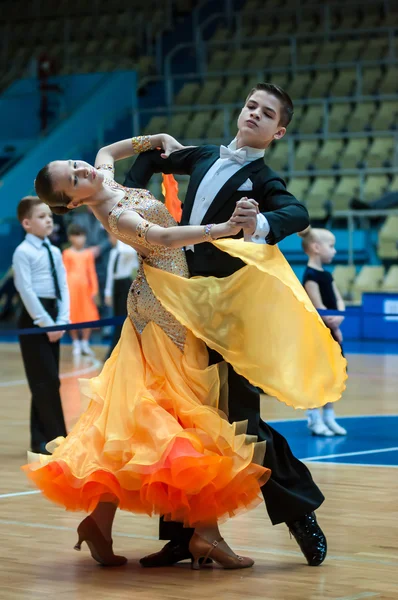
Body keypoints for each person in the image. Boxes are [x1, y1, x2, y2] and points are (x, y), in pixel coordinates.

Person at [24, 134, 346, 570]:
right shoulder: (115, 212)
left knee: (163, 418)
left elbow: (113, 153)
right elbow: (163, 235)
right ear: (75, 203)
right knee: (186, 416)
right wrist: (227, 228)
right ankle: (199, 536)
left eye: (73, 163)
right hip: (168, 311)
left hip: (203, 304)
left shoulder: (104, 173)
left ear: (277, 130)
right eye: (74, 178)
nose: (81, 169)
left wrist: (152, 139)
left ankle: (114, 524)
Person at [124, 83, 340, 567]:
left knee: (243, 423)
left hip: (227, 315)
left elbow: (297, 212)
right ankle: (183, 536)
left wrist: (256, 224)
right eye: (251, 106)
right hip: (177, 304)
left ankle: (298, 512)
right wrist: (136, 201)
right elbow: (156, 160)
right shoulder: (202, 155)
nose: (255, 115)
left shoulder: (263, 180)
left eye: (267, 114)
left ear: (278, 131)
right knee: (182, 420)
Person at [13, 196, 69, 454]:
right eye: (41, 216)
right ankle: (59, 437)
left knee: (47, 379)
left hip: (54, 315)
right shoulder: (23, 252)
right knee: (44, 380)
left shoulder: (54, 250)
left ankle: (39, 439)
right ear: (27, 223)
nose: (48, 220)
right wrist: (45, 323)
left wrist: (63, 319)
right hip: (35, 318)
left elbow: (63, 287)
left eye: (49, 215)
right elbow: (25, 290)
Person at [299, 227, 348, 437]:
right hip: (318, 336)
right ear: (316, 248)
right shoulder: (310, 276)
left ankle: (329, 416)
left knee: (332, 376)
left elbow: (339, 302)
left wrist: (338, 318)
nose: (335, 251)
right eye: (331, 246)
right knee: (317, 378)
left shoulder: (327, 275)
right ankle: (314, 418)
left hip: (332, 334)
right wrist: (334, 325)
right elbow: (320, 308)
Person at [63, 223, 99, 357]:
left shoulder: (88, 254)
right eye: (77, 236)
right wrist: (64, 290)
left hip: (85, 289)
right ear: (70, 238)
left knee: (88, 315)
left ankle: (85, 341)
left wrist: (95, 290)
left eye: (82, 236)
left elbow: (92, 273)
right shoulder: (67, 253)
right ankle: (75, 342)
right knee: (73, 315)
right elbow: (64, 272)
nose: (80, 239)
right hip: (71, 289)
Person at [104, 234, 139, 357]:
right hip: (116, 286)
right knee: (117, 317)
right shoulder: (114, 253)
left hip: (126, 284)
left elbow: (129, 252)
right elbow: (110, 274)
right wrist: (107, 293)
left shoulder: (126, 250)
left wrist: (121, 239)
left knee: (126, 317)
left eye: (112, 237)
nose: (110, 239)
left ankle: (126, 350)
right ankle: (115, 350)